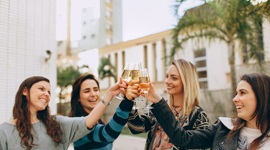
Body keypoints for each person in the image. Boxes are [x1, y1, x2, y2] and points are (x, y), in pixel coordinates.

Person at [148, 73, 270, 150]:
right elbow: (183, 138)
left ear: (261, 96)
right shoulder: (224, 128)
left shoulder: (198, 114)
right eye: (236, 93)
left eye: (242, 93)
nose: (235, 99)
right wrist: (158, 100)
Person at [0, 76, 125, 150]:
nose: (46, 94)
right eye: (41, 89)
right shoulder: (4, 131)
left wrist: (109, 94)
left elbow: (88, 121)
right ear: (25, 91)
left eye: (49, 92)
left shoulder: (57, 124)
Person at [127, 58, 210, 149]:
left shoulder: (199, 116)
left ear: (187, 82)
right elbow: (136, 128)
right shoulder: (160, 107)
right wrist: (129, 101)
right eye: (167, 76)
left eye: (174, 78)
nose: (167, 81)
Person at [69, 74, 137, 150]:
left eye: (95, 89)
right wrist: (126, 101)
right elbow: (108, 134)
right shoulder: (79, 126)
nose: (93, 94)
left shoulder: (97, 121)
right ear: (78, 97)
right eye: (87, 91)